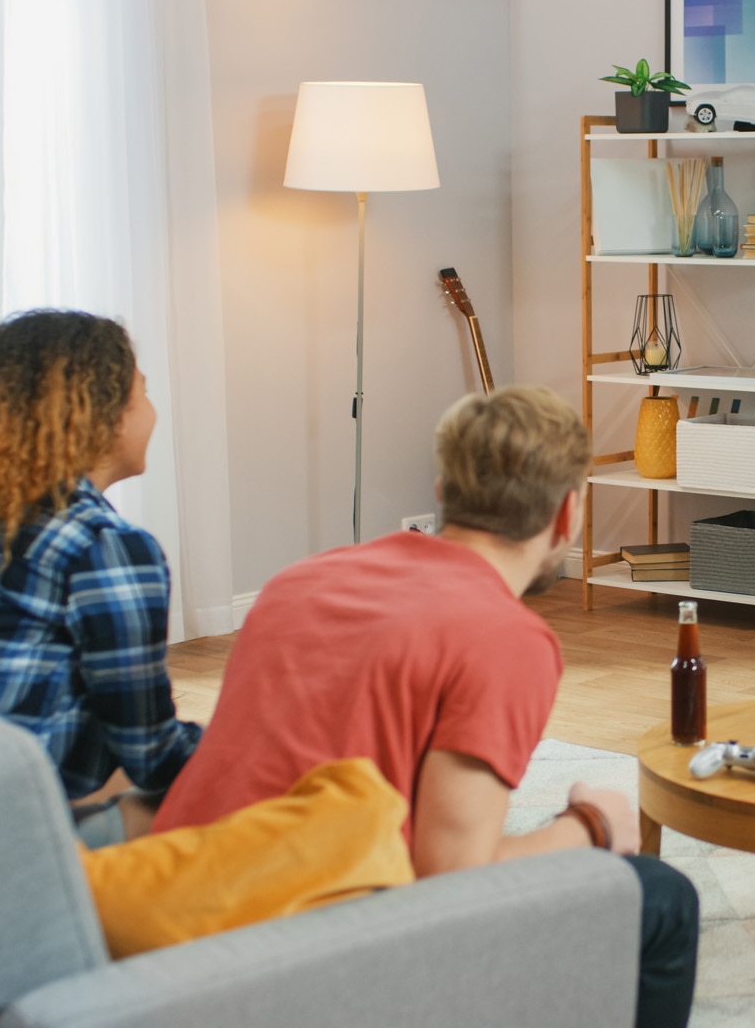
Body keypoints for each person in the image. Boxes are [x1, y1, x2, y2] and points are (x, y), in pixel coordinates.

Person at [154, 386, 699, 1028]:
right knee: (662, 899)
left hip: (175, 923)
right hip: (302, 961)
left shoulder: (300, 580)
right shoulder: (505, 637)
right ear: (567, 516)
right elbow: (451, 879)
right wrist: (595, 827)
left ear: (443, 494)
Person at [0, 310, 199, 845]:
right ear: (107, 416)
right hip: (8, 846)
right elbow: (154, 757)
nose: (152, 411)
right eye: (142, 394)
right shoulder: (104, 545)